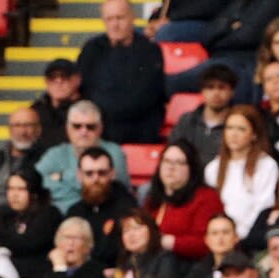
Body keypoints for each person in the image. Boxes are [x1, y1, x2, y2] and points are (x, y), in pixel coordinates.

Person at [77, 0, 165, 145]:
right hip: (100, 127)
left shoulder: (150, 51)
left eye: (120, 18)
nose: (115, 24)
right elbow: (85, 89)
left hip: (139, 128)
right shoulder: (91, 49)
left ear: (132, 18)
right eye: (109, 19)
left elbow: (146, 96)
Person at [37, 102, 128, 214]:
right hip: (59, 217)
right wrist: (84, 186)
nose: (83, 132)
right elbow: (34, 183)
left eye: (90, 127)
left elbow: (115, 189)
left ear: (100, 129)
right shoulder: (55, 154)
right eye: (77, 126)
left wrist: (62, 176)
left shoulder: (114, 152)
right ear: (67, 128)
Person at [143, 142, 223, 260]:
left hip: (190, 266)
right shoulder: (153, 199)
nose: (171, 167)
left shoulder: (206, 197)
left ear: (191, 168)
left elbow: (208, 241)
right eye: (166, 161)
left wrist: (171, 242)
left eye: (179, 162)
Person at [205, 105, 277, 232]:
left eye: (241, 129)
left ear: (254, 134)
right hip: (221, 236)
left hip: (251, 236)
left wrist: (239, 234)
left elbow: (264, 205)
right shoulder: (213, 168)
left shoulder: (267, 165)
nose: (233, 134)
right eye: (229, 128)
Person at [170, 65, 237, 167]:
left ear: (232, 92)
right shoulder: (186, 121)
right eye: (210, 87)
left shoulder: (238, 124)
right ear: (202, 91)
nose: (216, 93)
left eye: (222, 87)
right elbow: (173, 152)